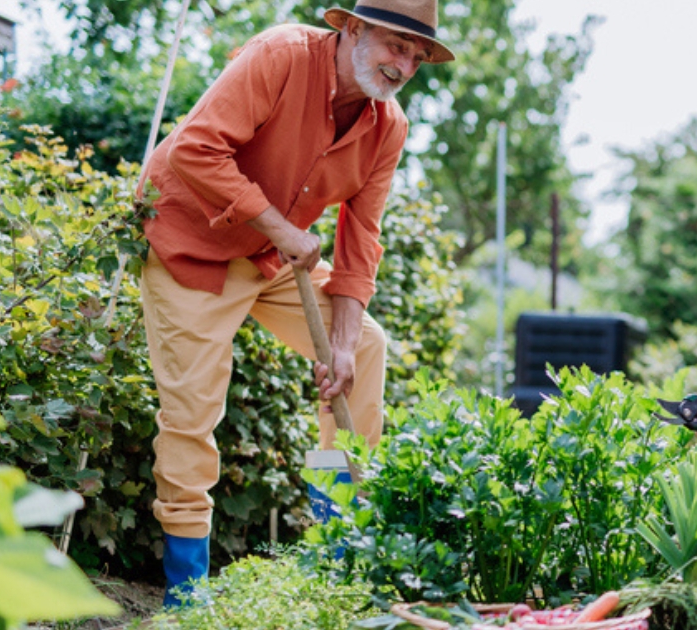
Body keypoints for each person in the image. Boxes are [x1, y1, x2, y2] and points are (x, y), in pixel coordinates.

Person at [136, 0, 455, 607]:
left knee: (362, 346)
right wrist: (285, 232)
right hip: (189, 245)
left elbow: (361, 243)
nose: (404, 64)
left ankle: (336, 546)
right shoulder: (281, 56)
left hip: (267, 255)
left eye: (417, 55)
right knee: (194, 408)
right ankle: (187, 594)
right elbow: (195, 149)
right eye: (395, 44)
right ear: (353, 29)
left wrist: (337, 344)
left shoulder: (389, 126)